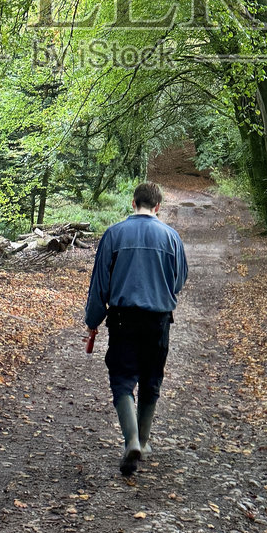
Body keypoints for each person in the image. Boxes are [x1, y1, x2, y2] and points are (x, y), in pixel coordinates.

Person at [84, 181, 189, 476]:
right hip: (159, 320)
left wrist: (93, 321)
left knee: (122, 379)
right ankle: (142, 440)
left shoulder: (114, 234)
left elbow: (99, 283)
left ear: (133, 203)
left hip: (123, 319)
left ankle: (130, 440)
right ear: (158, 207)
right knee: (151, 379)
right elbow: (179, 280)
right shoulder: (171, 237)